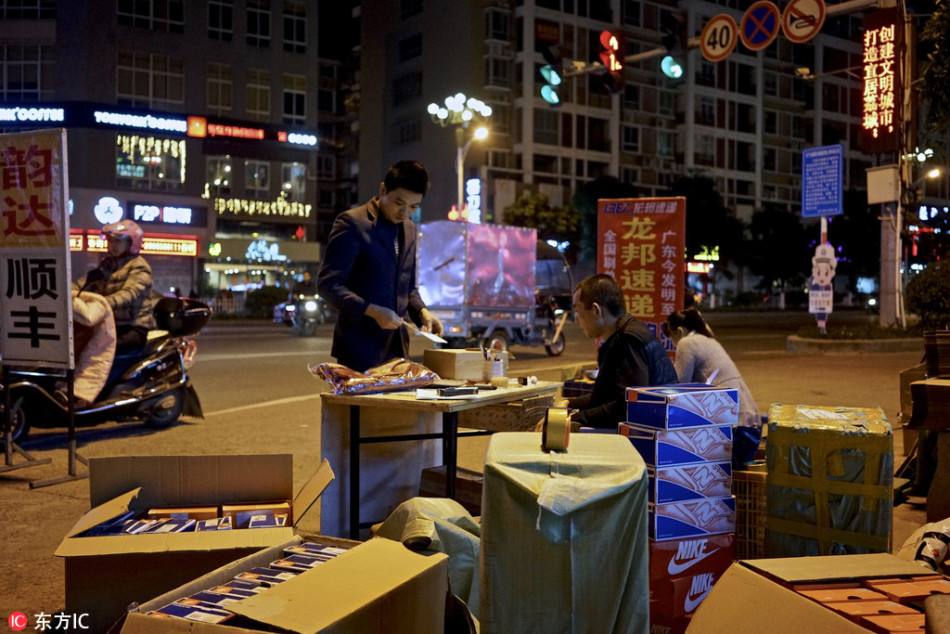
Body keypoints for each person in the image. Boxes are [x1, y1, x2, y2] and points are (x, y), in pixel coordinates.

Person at [317, 160, 443, 372]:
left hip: (397, 351)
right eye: (399, 203)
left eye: (413, 207)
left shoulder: (410, 229)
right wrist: (372, 311)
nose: (404, 213)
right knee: (362, 406)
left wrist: (422, 311)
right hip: (358, 349)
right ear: (383, 189)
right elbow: (328, 285)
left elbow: (407, 286)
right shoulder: (352, 223)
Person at [566, 274, 677, 429]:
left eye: (578, 311)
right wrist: (568, 404)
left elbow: (629, 406)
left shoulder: (628, 340)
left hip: (651, 437)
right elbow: (608, 396)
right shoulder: (626, 333)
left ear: (596, 310)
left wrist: (573, 419)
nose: (577, 320)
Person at [664, 308, 762, 465]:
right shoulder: (709, 340)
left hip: (736, 430)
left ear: (680, 331)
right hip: (751, 426)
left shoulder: (686, 342)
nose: (672, 342)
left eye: (670, 335)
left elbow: (679, 387)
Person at [74, 219, 155, 353]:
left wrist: (102, 303)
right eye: (110, 241)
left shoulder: (139, 266)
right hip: (110, 325)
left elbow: (130, 293)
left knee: (99, 350)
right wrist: (65, 293)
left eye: (118, 241)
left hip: (132, 328)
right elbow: (86, 282)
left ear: (131, 243)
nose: (112, 245)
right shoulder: (107, 265)